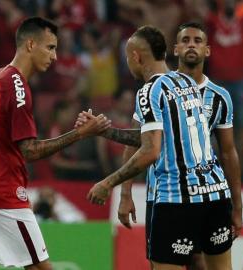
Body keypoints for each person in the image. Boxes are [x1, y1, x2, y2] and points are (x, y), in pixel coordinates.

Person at [84, 25, 234, 270]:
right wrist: (105, 131)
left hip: (176, 200)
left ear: (135, 56)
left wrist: (107, 183)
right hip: (215, 196)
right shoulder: (186, 82)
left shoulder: (149, 91)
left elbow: (150, 150)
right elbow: (155, 137)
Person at [0, 17, 110, 270]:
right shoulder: (17, 86)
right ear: (31, 45)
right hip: (5, 197)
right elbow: (30, 151)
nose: (54, 56)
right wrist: (80, 133)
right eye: (50, 47)